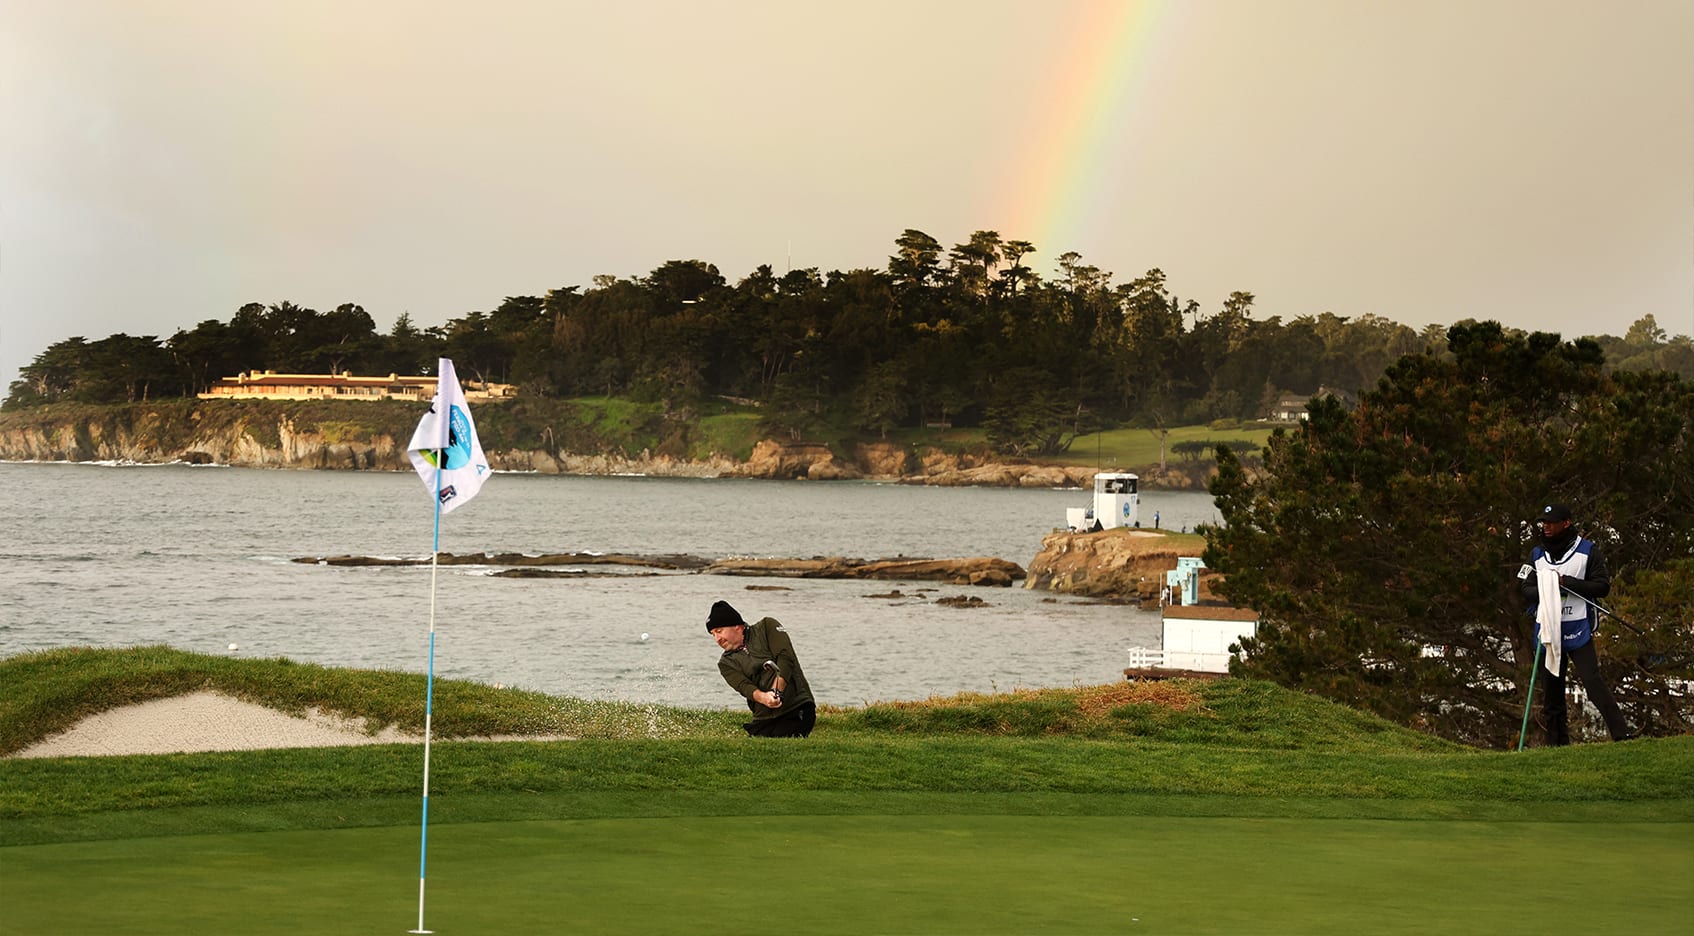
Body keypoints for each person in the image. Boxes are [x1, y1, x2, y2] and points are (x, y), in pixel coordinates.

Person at [1518, 502, 1632, 744]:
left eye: (1551, 522)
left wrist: (1567, 582)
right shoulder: (1537, 554)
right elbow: (1525, 587)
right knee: (1552, 692)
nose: (1545, 527)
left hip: (1578, 629)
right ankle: (1557, 745)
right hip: (1549, 631)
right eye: (1543, 523)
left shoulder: (1588, 551)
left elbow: (1602, 586)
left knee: (1592, 684)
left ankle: (1623, 736)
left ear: (1566, 523)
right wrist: (1547, 585)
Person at [706, 600, 816, 737]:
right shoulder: (725, 663)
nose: (717, 639)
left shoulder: (767, 626)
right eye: (713, 634)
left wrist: (777, 691)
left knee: (783, 742)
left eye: (719, 631)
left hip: (797, 707)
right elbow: (744, 687)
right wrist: (765, 698)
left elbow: (785, 658)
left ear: (737, 626)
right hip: (763, 719)